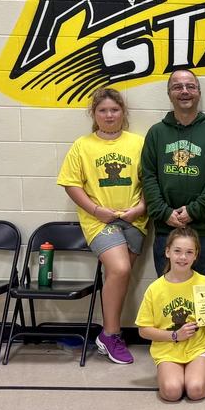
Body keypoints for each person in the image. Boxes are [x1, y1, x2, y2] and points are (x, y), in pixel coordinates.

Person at [57, 87, 146, 365]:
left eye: (114, 110)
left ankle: (110, 334)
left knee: (118, 278)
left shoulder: (139, 143)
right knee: (120, 269)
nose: (109, 115)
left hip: (135, 219)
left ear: (123, 113)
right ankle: (111, 333)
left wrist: (141, 208)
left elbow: (150, 181)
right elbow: (71, 184)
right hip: (99, 221)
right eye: (103, 110)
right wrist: (96, 210)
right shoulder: (82, 145)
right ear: (94, 114)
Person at [142, 69, 205, 279]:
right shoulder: (156, 133)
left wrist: (194, 211)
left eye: (190, 86)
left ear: (198, 92)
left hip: (204, 230)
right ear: (169, 93)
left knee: (202, 296)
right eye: (177, 87)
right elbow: (148, 176)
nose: (184, 91)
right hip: (166, 230)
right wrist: (165, 213)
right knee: (168, 292)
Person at [136, 227, 205, 402]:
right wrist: (175, 335)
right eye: (177, 251)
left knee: (196, 390)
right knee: (172, 392)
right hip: (168, 350)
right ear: (168, 252)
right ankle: (173, 373)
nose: (183, 257)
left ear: (196, 255)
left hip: (198, 348)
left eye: (189, 252)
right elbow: (143, 330)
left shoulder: (204, 282)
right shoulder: (155, 289)